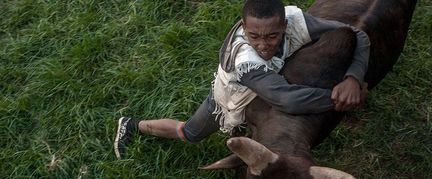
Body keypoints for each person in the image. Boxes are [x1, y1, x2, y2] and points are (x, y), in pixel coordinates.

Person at [114, 0, 370, 160]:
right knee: (188, 133)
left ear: (284, 25)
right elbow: (287, 99)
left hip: (268, 86)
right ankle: (133, 125)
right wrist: (340, 99)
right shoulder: (246, 62)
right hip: (230, 101)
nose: (262, 45)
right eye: (254, 36)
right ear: (243, 28)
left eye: (272, 36)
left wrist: (352, 77)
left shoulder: (297, 21)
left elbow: (356, 34)